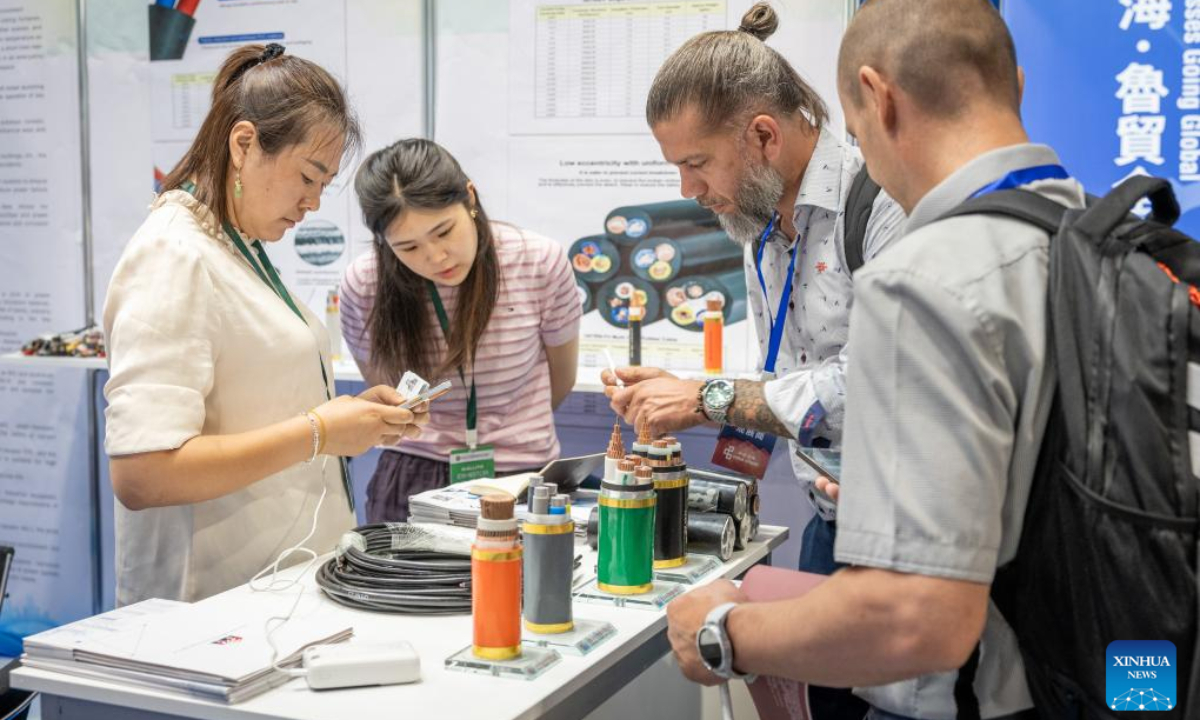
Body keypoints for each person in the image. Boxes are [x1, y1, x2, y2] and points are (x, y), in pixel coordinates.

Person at [664, 1, 1083, 718]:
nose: (688, 190)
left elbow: (915, 622)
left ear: (878, 99)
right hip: (1075, 643)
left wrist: (720, 632)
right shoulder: (1096, 233)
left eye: (856, 131)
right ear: (1013, 83)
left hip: (958, 669)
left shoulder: (923, 272)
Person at [103, 44, 426, 607]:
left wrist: (351, 419)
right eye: (308, 177)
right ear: (243, 144)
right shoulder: (174, 254)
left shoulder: (234, 246)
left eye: (323, 185)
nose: (312, 203)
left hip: (277, 585)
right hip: (215, 605)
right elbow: (143, 474)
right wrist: (319, 432)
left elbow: (253, 398)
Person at [603, 1, 905, 577]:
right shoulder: (760, 229)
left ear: (764, 135)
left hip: (904, 542)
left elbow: (873, 385)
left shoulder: (882, 205)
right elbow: (790, 380)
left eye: (697, 163)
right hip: (828, 522)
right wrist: (682, 391)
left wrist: (704, 398)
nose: (688, 188)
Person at [342, 138, 582, 523]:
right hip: (412, 473)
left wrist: (509, 426)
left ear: (469, 197)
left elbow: (562, 378)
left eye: (443, 231)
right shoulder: (366, 282)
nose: (436, 257)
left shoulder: (538, 261)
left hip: (521, 475)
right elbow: (387, 392)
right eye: (408, 247)